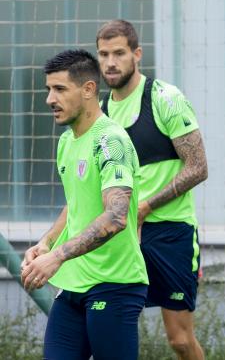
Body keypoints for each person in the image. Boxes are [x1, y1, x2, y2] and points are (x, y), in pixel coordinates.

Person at [21, 49, 149, 360]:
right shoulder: (67, 141)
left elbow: (116, 217)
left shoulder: (110, 141)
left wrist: (57, 257)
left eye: (60, 89)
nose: (50, 99)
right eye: (49, 90)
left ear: (89, 89)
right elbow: (76, 202)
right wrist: (47, 242)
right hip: (73, 285)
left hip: (114, 284)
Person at [95, 19, 208, 360]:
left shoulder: (165, 99)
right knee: (106, 328)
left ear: (137, 54)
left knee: (180, 341)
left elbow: (198, 167)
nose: (110, 62)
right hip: (120, 235)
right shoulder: (100, 114)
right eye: (103, 54)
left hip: (170, 232)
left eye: (119, 53)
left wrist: (145, 206)